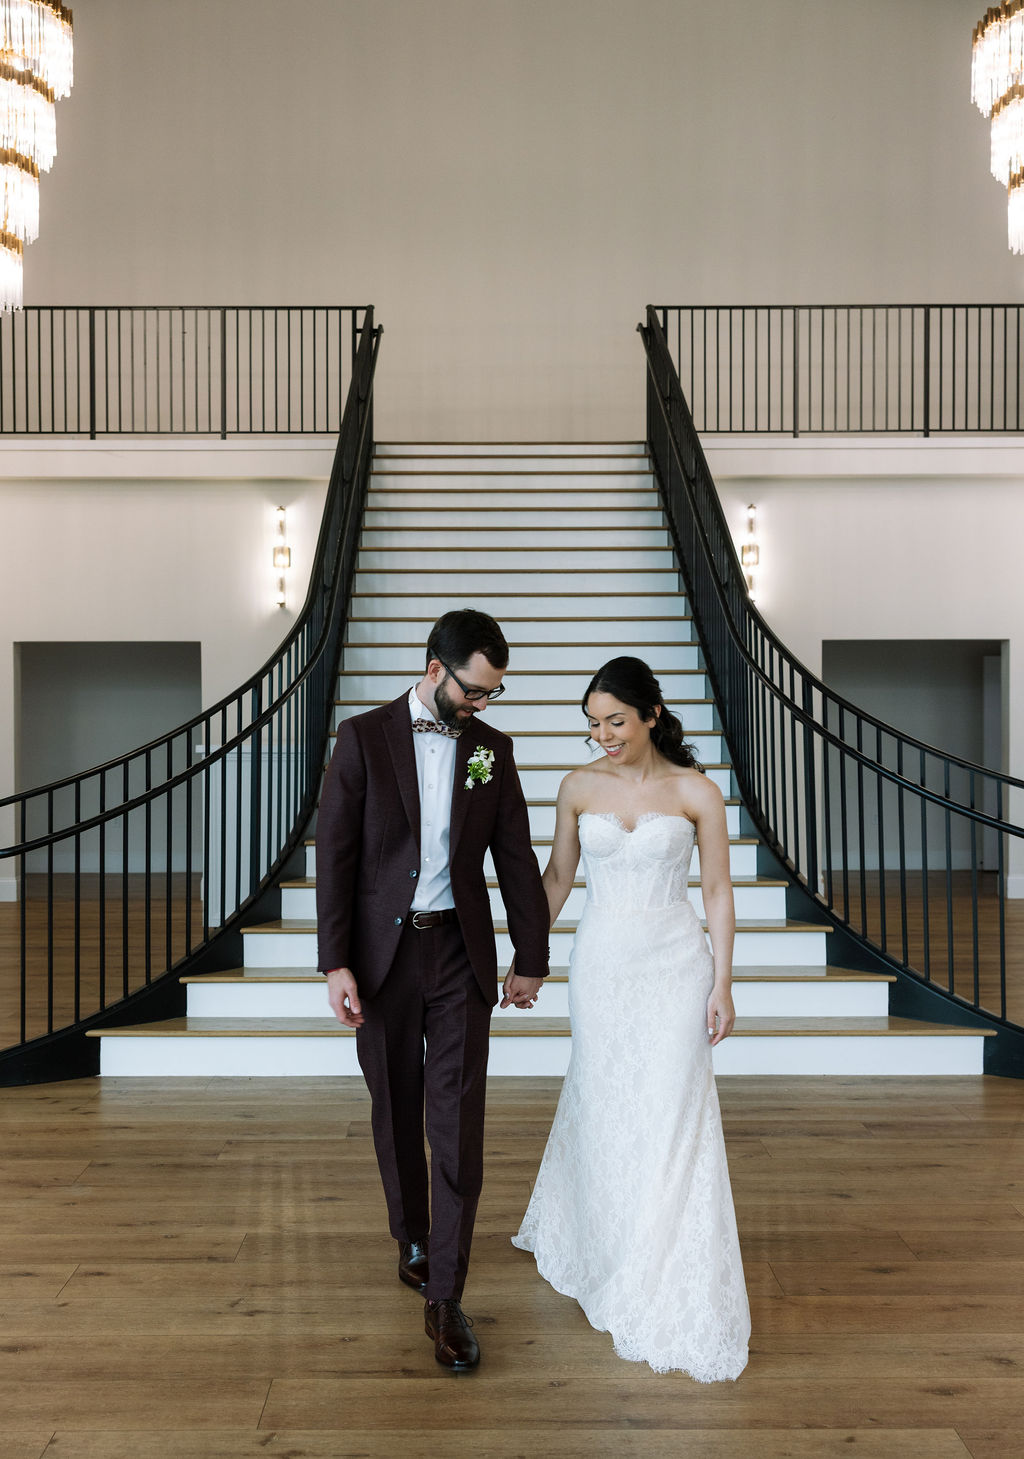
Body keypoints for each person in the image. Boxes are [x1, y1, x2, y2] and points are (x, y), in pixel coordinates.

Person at [317, 608, 549, 1371]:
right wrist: (334, 962)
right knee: (395, 1108)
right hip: (381, 959)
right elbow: (337, 859)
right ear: (434, 668)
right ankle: (411, 1233)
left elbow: (516, 857)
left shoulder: (492, 751)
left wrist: (531, 956)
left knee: (455, 1123)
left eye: (493, 694)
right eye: (475, 691)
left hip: (458, 956)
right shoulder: (362, 739)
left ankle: (445, 1294)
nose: (483, 705)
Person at [511, 655, 750, 1382]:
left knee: (674, 1103)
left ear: (650, 714)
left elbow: (715, 890)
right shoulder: (578, 786)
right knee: (607, 1095)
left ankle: (664, 1248)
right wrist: (528, 955)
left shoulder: (698, 791)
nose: (603, 735)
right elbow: (556, 876)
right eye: (592, 724)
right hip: (603, 965)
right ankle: (605, 1232)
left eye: (615, 720)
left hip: (675, 965)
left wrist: (724, 981)